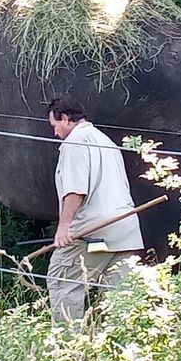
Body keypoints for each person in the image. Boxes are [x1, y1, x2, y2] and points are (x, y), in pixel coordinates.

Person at [46, 96, 144, 322]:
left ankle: (67, 340)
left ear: (66, 118)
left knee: (62, 280)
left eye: (55, 125)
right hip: (126, 231)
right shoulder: (105, 140)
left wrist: (64, 227)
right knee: (120, 302)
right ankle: (118, 341)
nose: (55, 133)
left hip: (93, 230)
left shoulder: (74, 142)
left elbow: (75, 190)